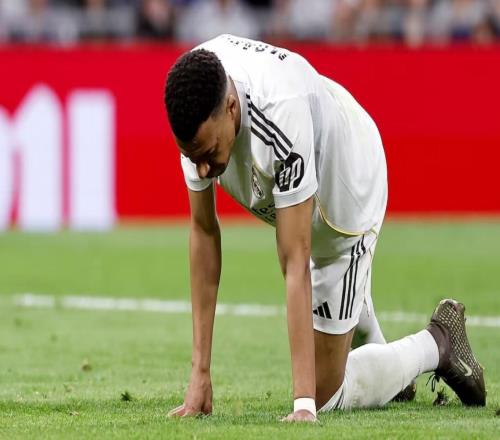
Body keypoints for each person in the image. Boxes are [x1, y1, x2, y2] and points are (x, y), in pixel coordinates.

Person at [164, 34, 485, 422]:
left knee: (325, 393)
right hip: (308, 166)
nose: (201, 169)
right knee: (338, 327)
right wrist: (199, 373)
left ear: (231, 108)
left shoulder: (280, 115)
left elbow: (296, 260)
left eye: (208, 154)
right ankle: (383, 362)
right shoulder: (198, 96)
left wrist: (304, 403)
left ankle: (438, 343)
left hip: (347, 196)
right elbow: (203, 232)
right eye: (191, 156)